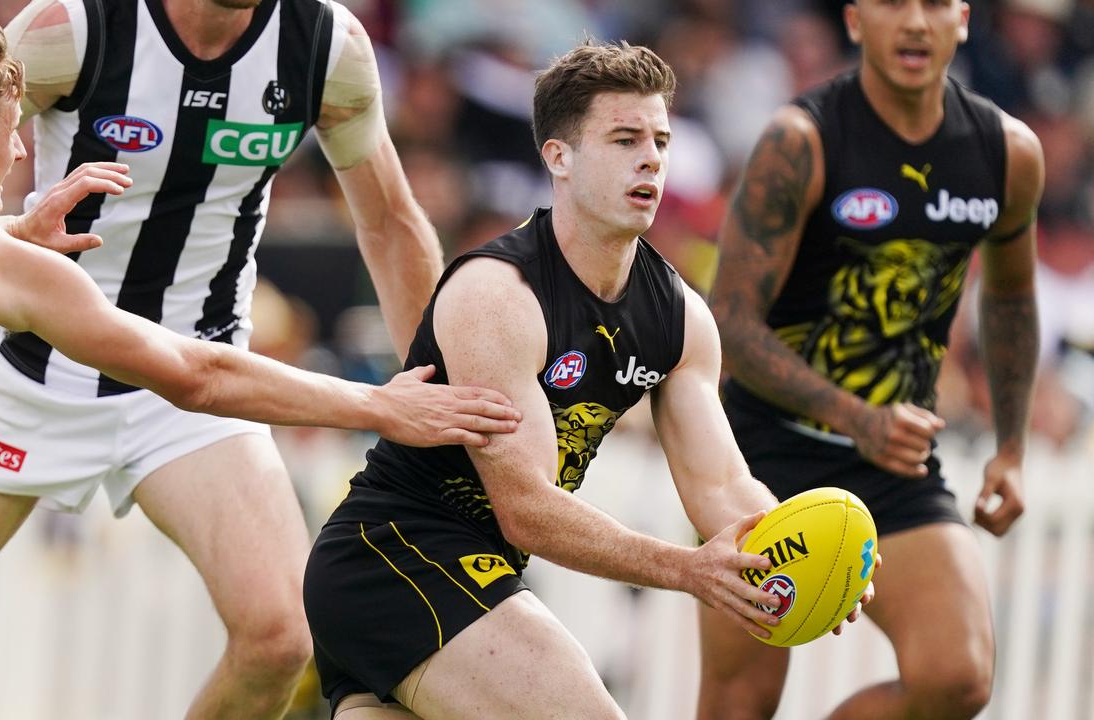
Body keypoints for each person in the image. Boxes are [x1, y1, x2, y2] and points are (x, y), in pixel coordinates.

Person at [0, 9, 521, 717]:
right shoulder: (71, 27)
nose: (23, 154)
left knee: (279, 637)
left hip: (199, 391)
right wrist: (378, 406)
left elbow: (391, 221)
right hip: (31, 376)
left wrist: (437, 395)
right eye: (11, 140)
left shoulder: (324, 49)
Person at [301, 41, 874, 719]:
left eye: (660, 139)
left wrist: (796, 559)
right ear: (558, 157)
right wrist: (686, 570)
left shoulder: (681, 316)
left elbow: (721, 486)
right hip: (398, 558)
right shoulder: (498, 294)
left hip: (469, 571)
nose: (651, 159)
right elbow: (527, 508)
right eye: (625, 138)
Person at [703, 1, 1043, 718]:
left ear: (964, 18)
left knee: (958, 677)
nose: (914, 22)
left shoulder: (1007, 151)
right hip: (761, 458)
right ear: (855, 21)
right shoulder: (801, 140)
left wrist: (1010, 449)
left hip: (894, 466)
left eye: (933, 3)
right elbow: (728, 324)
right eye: (892, 3)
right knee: (740, 705)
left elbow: (1011, 298)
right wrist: (854, 417)